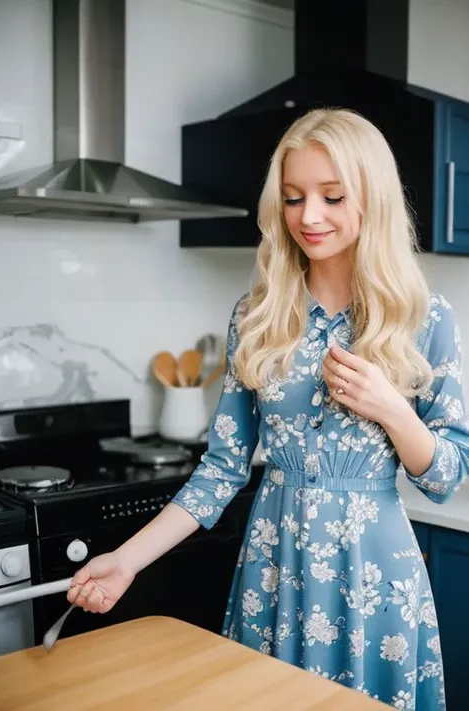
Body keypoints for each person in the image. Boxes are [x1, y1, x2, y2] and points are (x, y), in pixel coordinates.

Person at [68, 108, 469, 709]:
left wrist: (393, 409)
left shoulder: (423, 318)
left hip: (375, 576)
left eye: (332, 196)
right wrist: (126, 561)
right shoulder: (255, 316)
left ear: (372, 200)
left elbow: (447, 478)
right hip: (272, 570)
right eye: (292, 197)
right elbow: (221, 471)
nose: (309, 216)